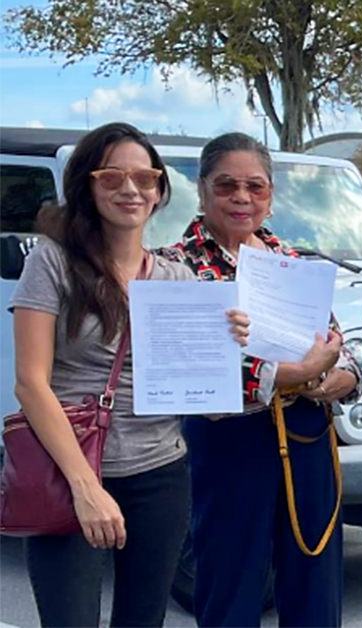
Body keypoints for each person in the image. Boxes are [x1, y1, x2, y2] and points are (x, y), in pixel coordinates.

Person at [10, 122, 246, 627]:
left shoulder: (175, 277)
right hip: (67, 473)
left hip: (159, 475)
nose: (130, 189)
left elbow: (212, 405)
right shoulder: (53, 263)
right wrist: (86, 487)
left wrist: (225, 349)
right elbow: (30, 383)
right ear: (87, 186)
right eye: (112, 176)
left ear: (161, 190)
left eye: (144, 177)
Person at [159, 132, 362, 627]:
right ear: (202, 189)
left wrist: (343, 376)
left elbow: (334, 342)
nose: (242, 198)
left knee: (316, 585)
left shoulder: (290, 261)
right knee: (231, 583)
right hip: (230, 437)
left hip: (308, 434)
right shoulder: (173, 266)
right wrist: (291, 374)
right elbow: (193, 365)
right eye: (227, 186)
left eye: (255, 187)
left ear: (271, 195)